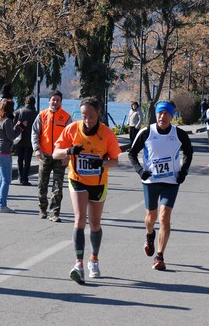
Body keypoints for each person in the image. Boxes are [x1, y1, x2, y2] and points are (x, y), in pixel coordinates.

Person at [52, 97, 121, 284]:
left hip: (98, 182)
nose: (88, 120)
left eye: (91, 116)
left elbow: (115, 161)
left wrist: (101, 162)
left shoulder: (106, 134)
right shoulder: (72, 129)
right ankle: (78, 264)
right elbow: (55, 153)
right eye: (84, 116)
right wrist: (69, 151)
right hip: (77, 179)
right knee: (80, 219)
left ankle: (94, 259)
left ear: (98, 113)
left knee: (95, 223)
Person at [128, 100, 193, 271]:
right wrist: (141, 171)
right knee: (151, 218)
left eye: (166, 114)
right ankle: (150, 234)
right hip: (151, 181)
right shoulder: (146, 132)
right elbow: (132, 154)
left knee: (164, 217)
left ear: (172, 116)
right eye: (160, 113)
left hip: (171, 182)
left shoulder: (179, 134)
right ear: (156, 114)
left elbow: (189, 152)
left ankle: (159, 256)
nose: (162, 116)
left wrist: (183, 171)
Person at [31, 90, 72, 222]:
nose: (55, 102)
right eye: (53, 99)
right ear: (49, 100)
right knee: (42, 184)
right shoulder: (42, 115)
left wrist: (68, 155)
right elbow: (35, 133)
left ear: (61, 102)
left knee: (58, 186)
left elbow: (72, 138)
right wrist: (37, 149)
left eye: (58, 100)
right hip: (44, 155)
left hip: (60, 157)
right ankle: (42, 209)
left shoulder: (66, 117)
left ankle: (54, 213)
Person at [0, 99, 27, 213]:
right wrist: (21, 127)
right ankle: (2, 205)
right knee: (6, 180)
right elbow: (12, 136)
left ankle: (0, 202)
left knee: (1, 180)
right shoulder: (7, 121)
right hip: (4, 152)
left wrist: (16, 126)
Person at [13, 95, 38, 185]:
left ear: (25, 102)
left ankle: (20, 176)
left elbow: (14, 124)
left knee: (20, 158)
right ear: (34, 103)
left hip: (20, 138)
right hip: (30, 140)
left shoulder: (20, 111)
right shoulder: (37, 114)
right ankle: (25, 178)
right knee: (28, 160)